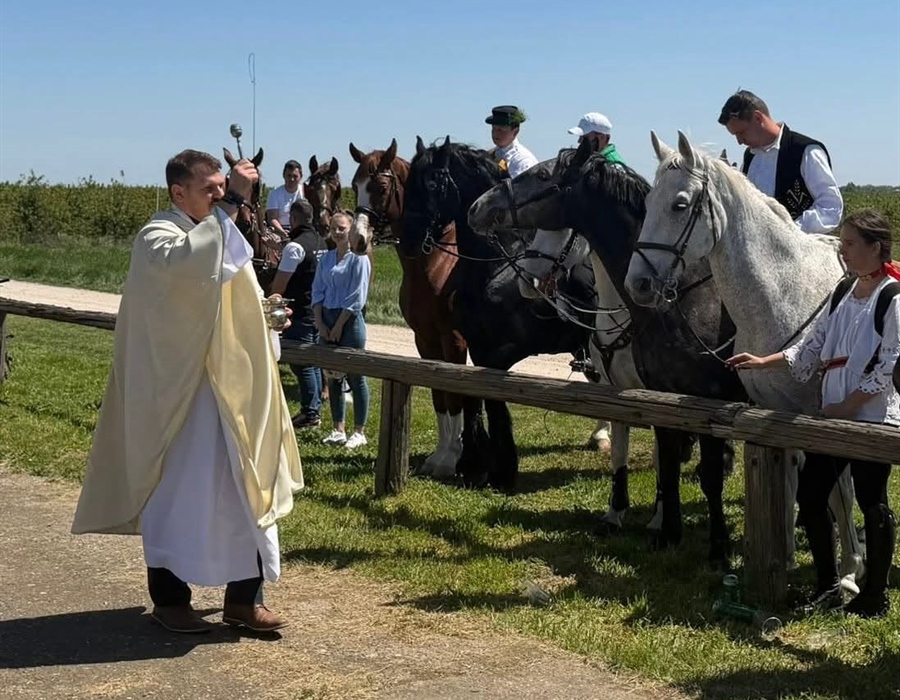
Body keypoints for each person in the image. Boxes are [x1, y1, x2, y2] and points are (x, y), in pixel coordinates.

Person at [71, 149, 304, 634]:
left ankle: (244, 600)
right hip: (183, 400)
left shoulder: (221, 231)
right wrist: (234, 201)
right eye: (210, 189)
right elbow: (187, 274)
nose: (220, 196)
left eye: (223, 187)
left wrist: (265, 316)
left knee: (246, 490)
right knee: (178, 496)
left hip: (235, 396)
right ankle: (171, 599)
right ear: (179, 193)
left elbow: (232, 296)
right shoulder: (157, 237)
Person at [727, 209, 899, 618]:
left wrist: (846, 406)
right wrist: (763, 361)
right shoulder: (844, 292)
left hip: (871, 417)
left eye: (850, 244)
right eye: (842, 242)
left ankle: (874, 595)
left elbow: (889, 366)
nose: (843, 251)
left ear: (876, 247)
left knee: (871, 500)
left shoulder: (892, 297)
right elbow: (812, 344)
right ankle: (827, 586)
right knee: (811, 494)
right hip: (835, 415)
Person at [717, 90, 843, 233]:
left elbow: (830, 207)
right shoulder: (749, 157)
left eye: (741, 133)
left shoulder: (806, 151)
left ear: (758, 118)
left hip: (804, 246)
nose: (739, 141)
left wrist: (790, 232)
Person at [312, 211, 371, 449]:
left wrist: (338, 325)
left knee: (356, 375)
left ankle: (359, 431)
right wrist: (320, 322)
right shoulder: (326, 259)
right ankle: (338, 428)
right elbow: (317, 290)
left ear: (351, 230)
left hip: (349, 320)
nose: (337, 232)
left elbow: (357, 296)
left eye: (342, 228)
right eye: (333, 228)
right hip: (326, 317)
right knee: (332, 375)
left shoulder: (359, 259)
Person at [271, 199, 329, 428]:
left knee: (302, 364)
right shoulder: (321, 241)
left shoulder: (294, 247)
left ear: (293, 219)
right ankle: (315, 407)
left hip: (299, 311)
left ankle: (310, 413)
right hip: (318, 309)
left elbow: (280, 285)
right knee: (312, 361)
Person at [485, 105, 538, 178]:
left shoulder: (523, 161)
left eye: (501, 130)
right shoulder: (491, 154)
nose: (495, 133)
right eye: (493, 128)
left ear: (515, 132)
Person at [265, 159, 305, 238]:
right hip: (280, 231)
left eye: (295, 176)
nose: (292, 179)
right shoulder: (274, 194)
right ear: (284, 175)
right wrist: (283, 232)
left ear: (301, 176)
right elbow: (272, 218)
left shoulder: (305, 192)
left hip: (301, 230)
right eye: (289, 176)